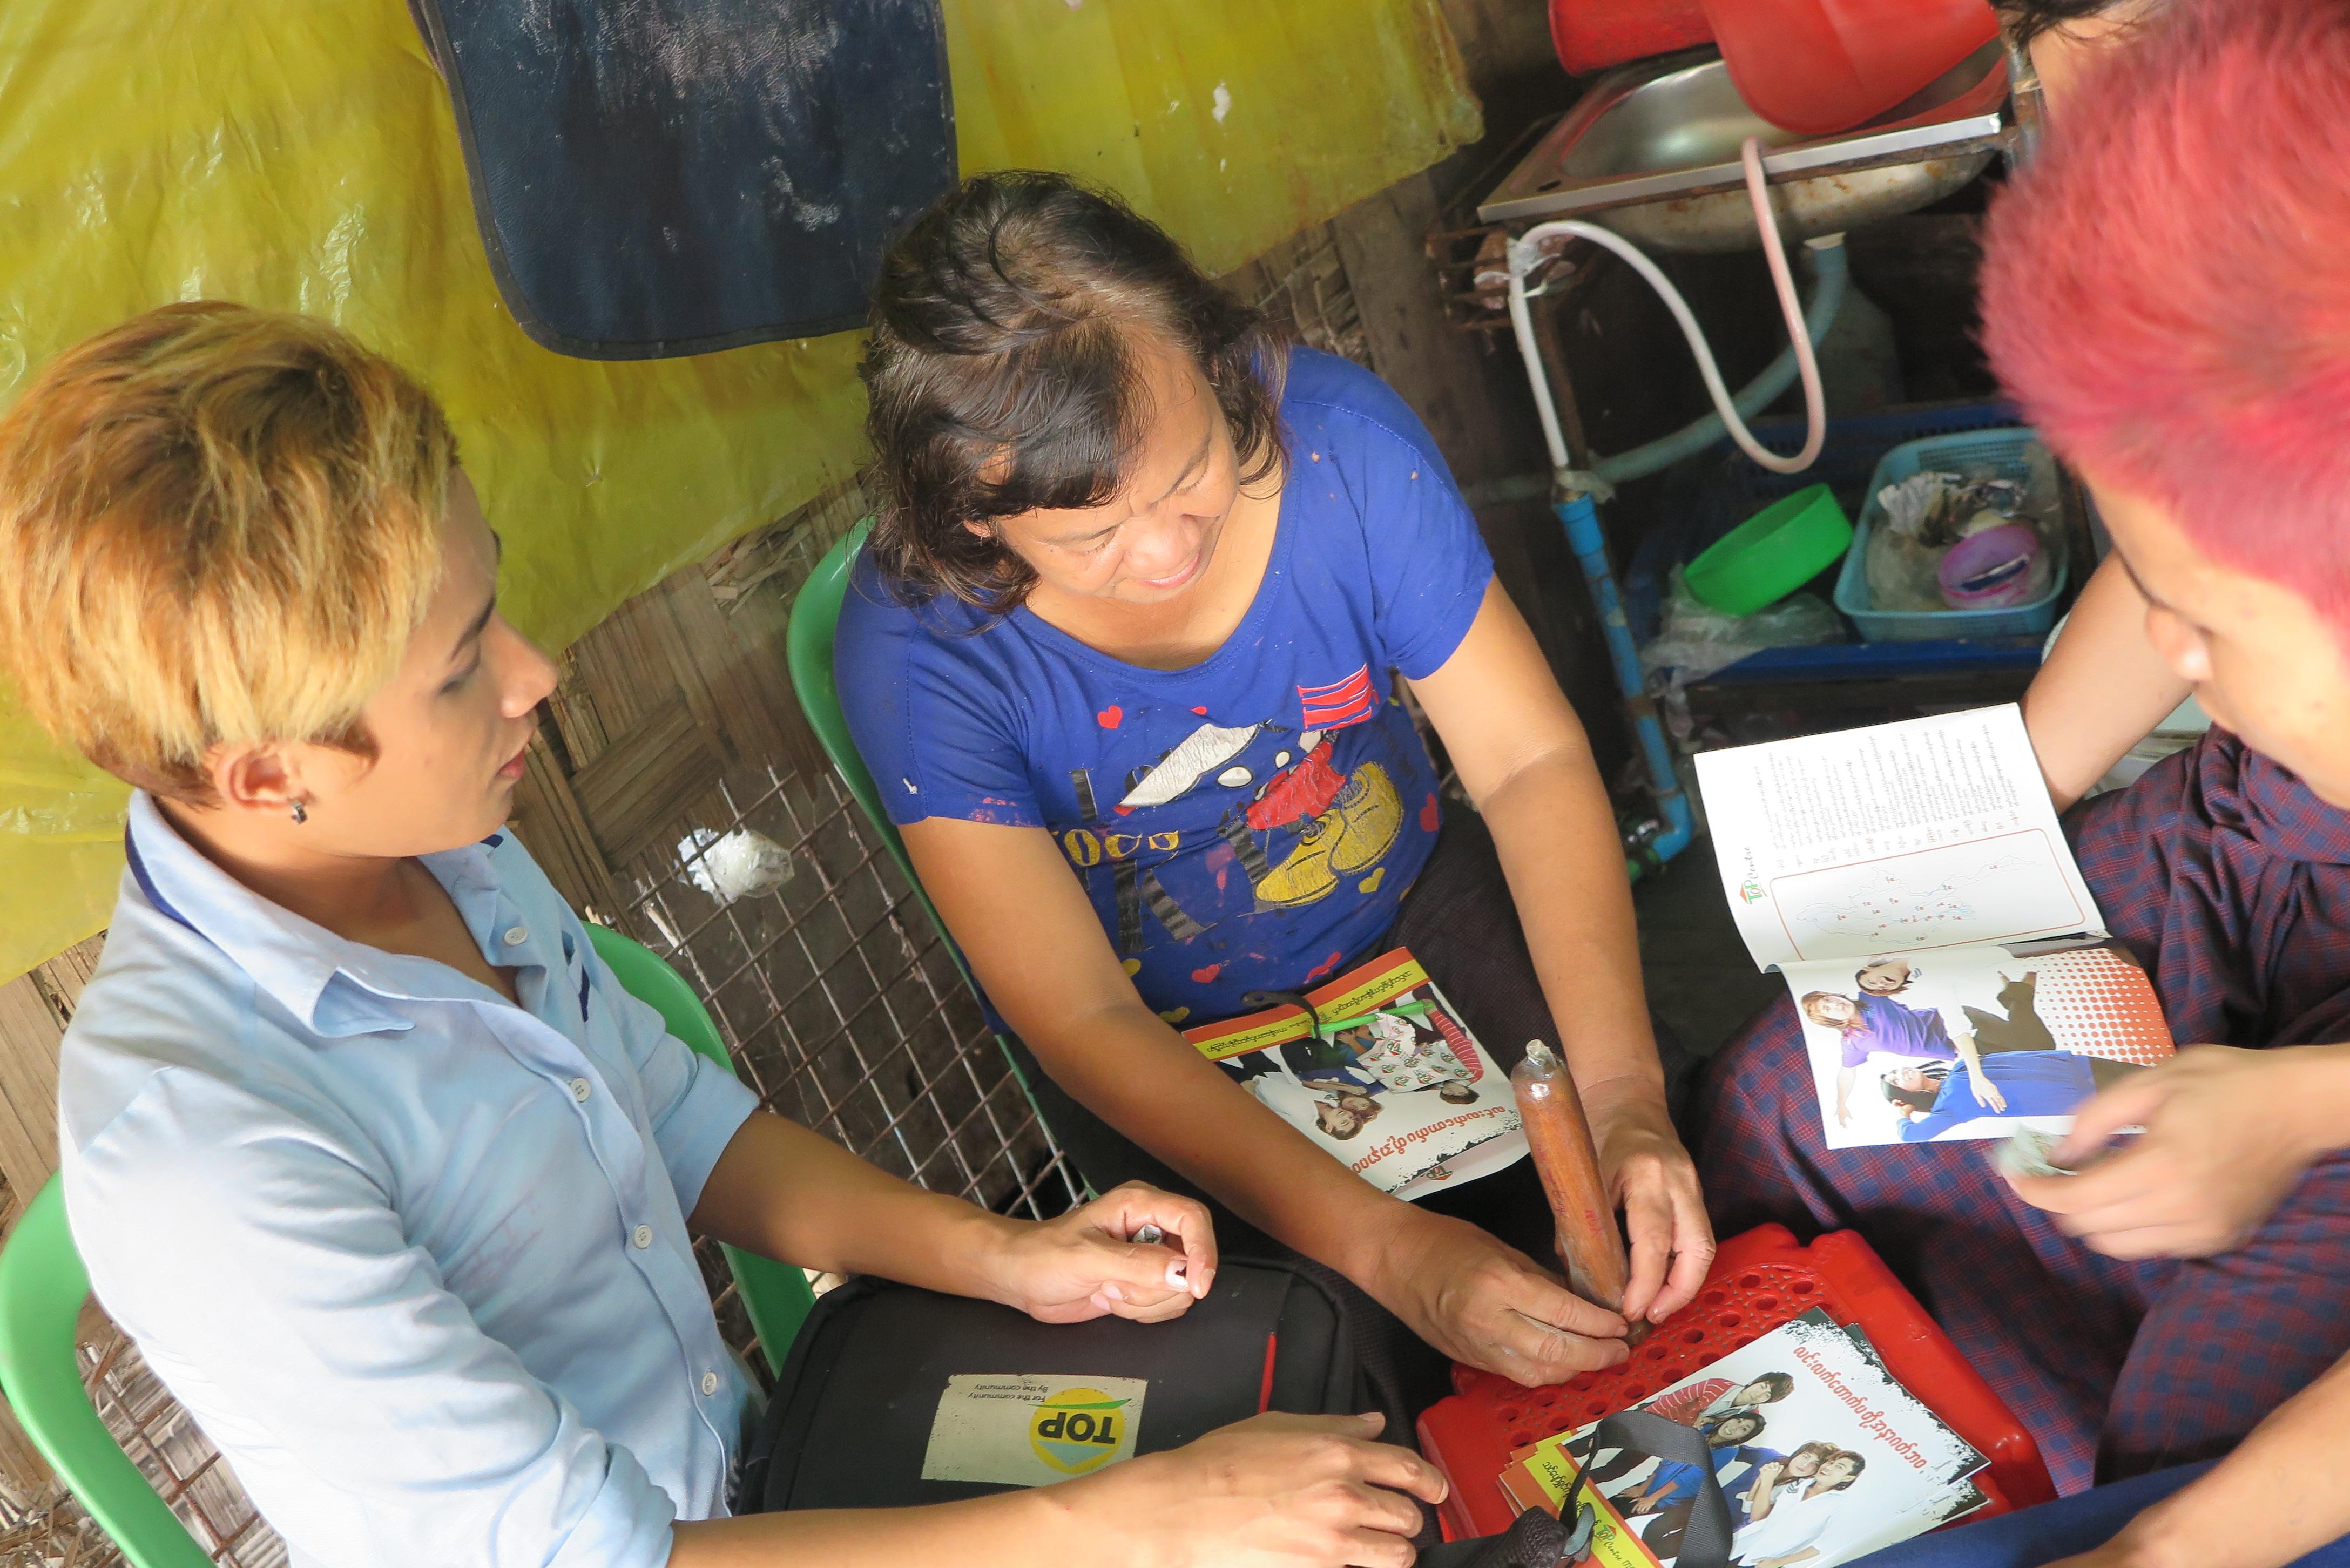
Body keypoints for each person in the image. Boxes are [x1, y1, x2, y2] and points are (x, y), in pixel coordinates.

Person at [0, 303, 1451, 1568]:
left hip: (764, 1486)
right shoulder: (204, 1157)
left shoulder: (430, 842)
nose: (535, 674)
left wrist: (1005, 1258)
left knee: (1294, 1434)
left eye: (494, 601)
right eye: (458, 673)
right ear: (269, 774)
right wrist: (1131, 1523)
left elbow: (676, 1122)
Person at [835, 170, 1710, 1402]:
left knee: (1652, 1184)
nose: (1166, 549)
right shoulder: (922, 649)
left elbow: (1527, 763)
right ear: (972, 521)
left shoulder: (1341, 449)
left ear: (1218, 362)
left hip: (1409, 897)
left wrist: (1623, 1099)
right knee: (1324, 1356)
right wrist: (1391, 1251)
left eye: (1189, 470)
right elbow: (1079, 1016)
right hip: (1156, 1031)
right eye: (1090, 535)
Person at [1705, 4, 2350, 1558]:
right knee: (1783, 1096)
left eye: (2205, 626)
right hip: (2258, 855)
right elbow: (2172, 567)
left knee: (2196, 1439)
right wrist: (1999, 812)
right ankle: (2018, 1441)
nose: (2172, 654)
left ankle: (2082, 1455)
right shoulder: (2264, 484)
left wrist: (2298, 1110)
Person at [1799, 989, 1992, 1127]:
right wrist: (1841, 1104)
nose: (1835, 1004)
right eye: (1827, 1009)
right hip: (1958, 1048)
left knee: (2008, 1038)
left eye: (1829, 999)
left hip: (1960, 1024)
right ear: (1830, 1020)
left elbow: (1883, 971)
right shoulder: (1853, 1042)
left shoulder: (1870, 999)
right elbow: (1846, 1074)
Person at [1735, 1451, 1865, 1568]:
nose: (1829, 1467)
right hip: (1740, 1548)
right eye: (1831, 1462)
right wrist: (1766, 1482)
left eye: (1839, 1467)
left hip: (1766, 1562)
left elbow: (1824, 1545)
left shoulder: (1840, 1503)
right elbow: (1757, 1516)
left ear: (1848, 1477)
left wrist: (1778, 1562)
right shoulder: (1798, 1483)